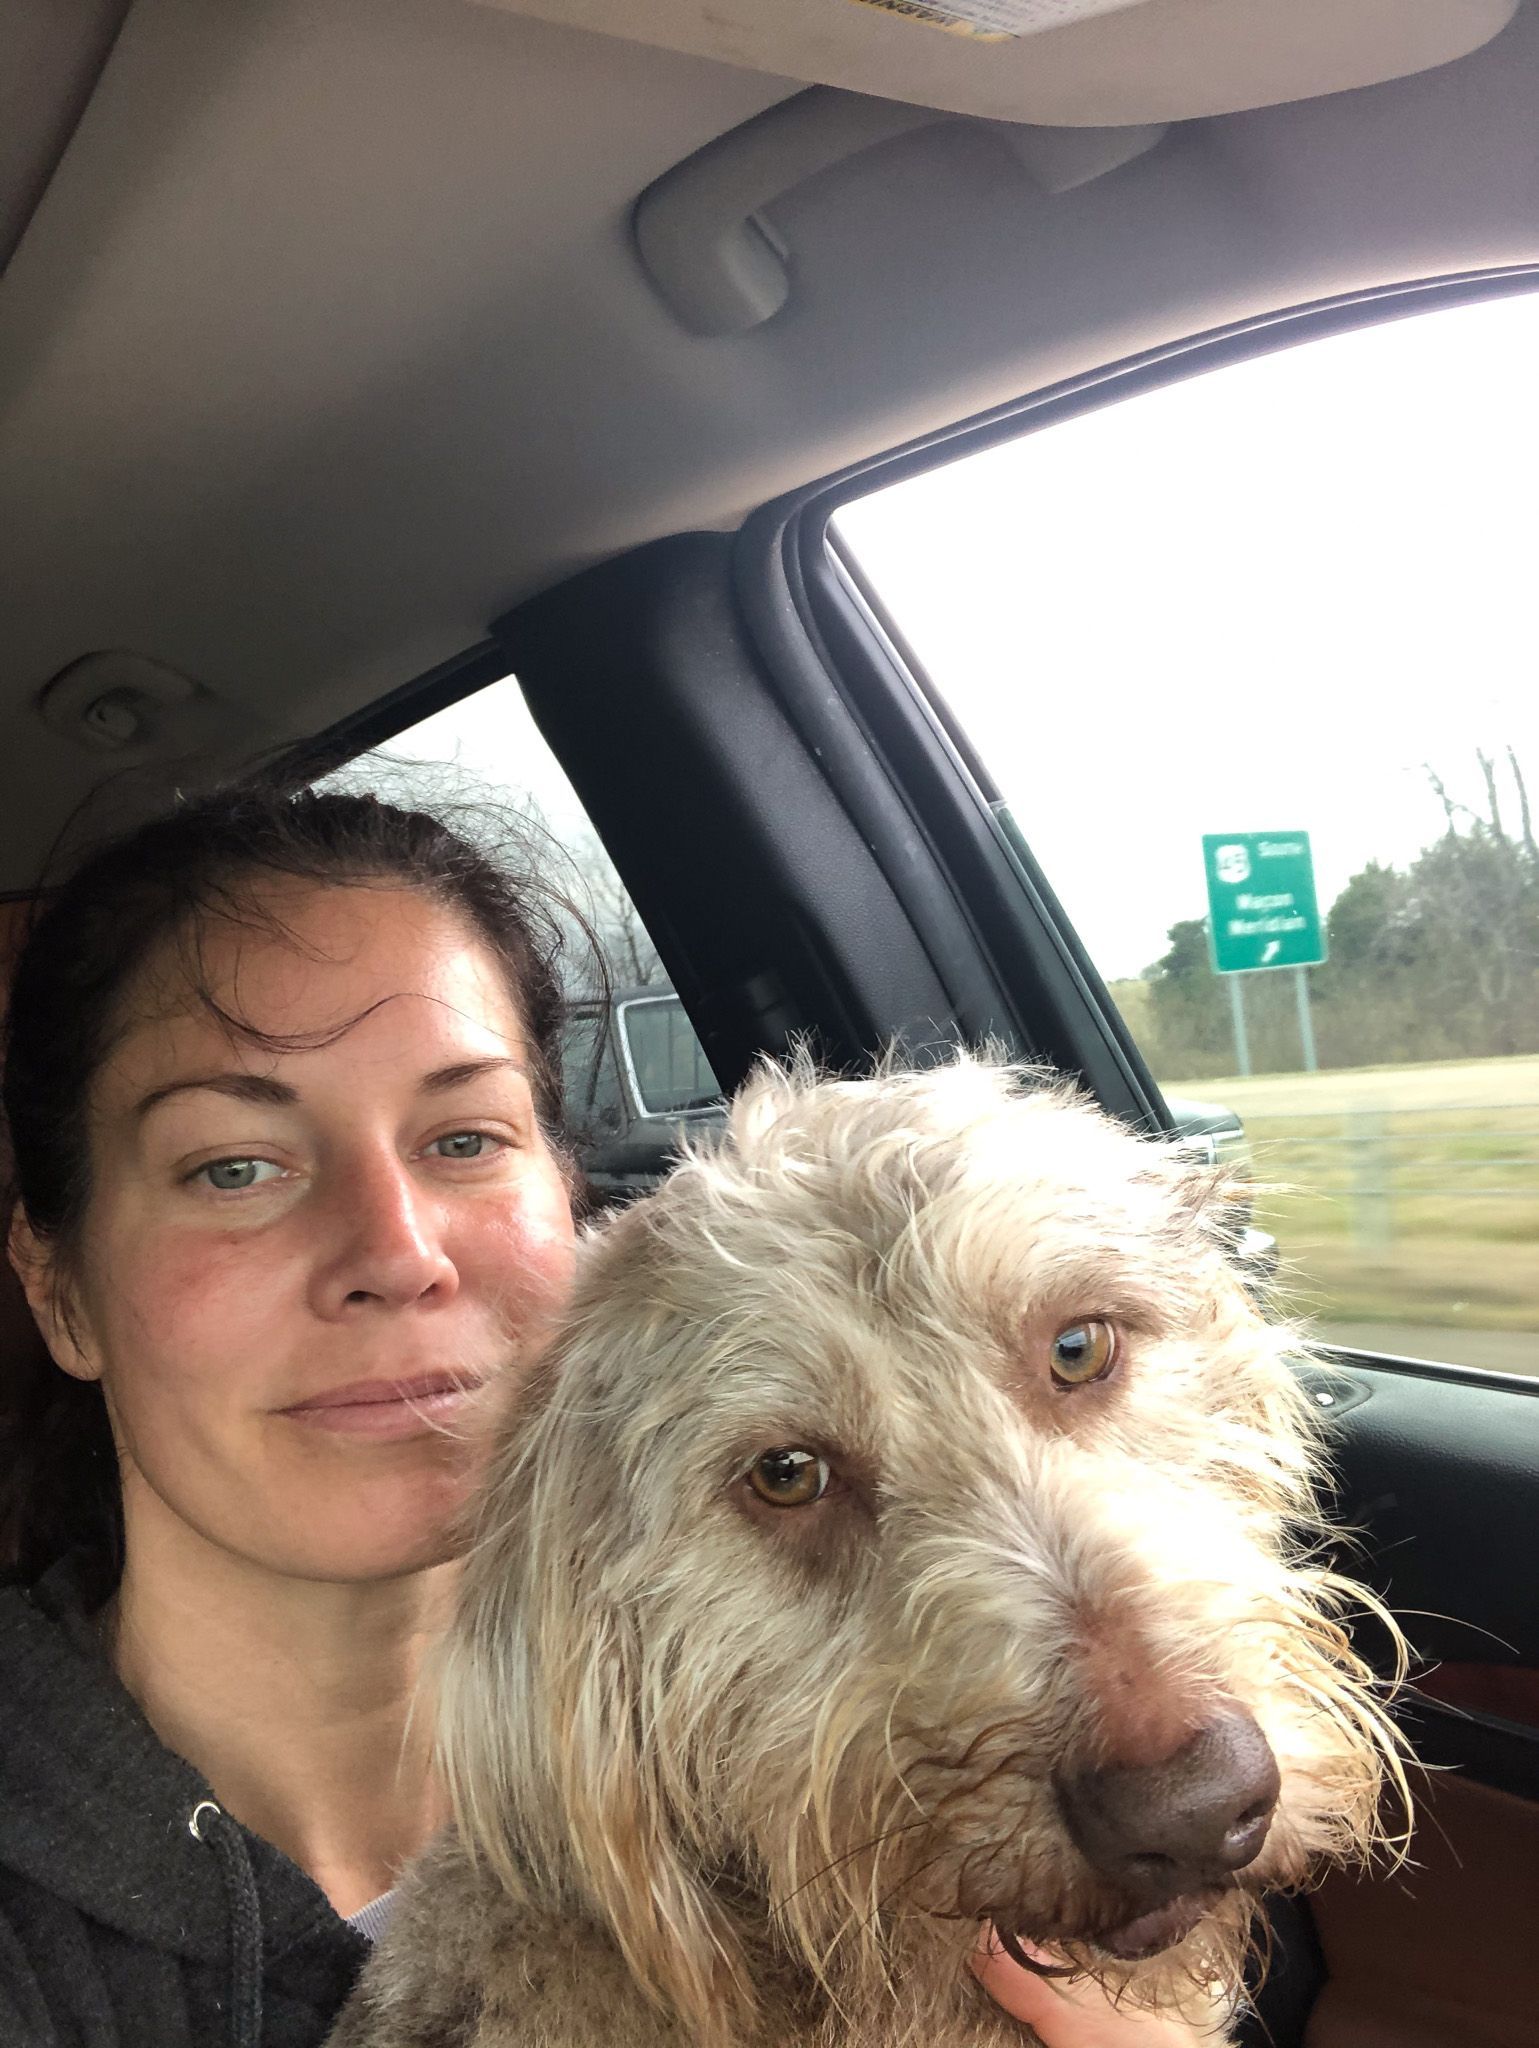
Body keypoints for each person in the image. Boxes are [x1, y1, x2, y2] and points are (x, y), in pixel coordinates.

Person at [0, 780, 1208, 2048]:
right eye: (234, 1166)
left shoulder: (898, 1764)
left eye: (464, 1139)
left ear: (577, 1215)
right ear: (59, 1287)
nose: (397, 1249)